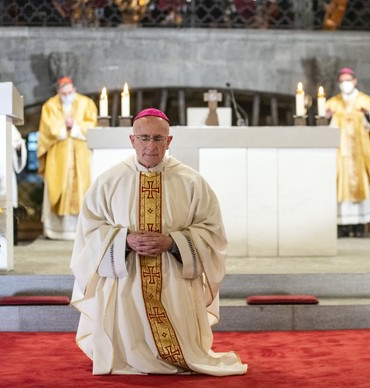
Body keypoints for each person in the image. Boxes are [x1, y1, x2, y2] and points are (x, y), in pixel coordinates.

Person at [69, 108, 248, 376]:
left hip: (173, 279)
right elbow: (89, 231)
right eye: (143, 138)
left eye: (157, 139)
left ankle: (179, 354)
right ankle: (128, 355)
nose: (150, 146)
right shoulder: (108, 182)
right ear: (132, 140)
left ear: (169, 141)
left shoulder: (192, 182)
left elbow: (212, 232)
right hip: (125, 279)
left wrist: (174, 242)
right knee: (127, 336)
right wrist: (124, 240)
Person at [325, 67, 370, 237]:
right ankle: (342, 225)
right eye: (342, 81)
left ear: (355, 81)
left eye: (348, 80)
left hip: (361, 152)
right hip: (341, 154)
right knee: (339, 184)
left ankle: (359, 225)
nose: (345, 84)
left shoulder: (367, 101)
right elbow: (324, 126)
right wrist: (327, 118)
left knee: (363, 184)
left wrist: (368, 116)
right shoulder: (332, 103)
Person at [37, 76, 97, 240]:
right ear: (58, 92)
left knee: (83, 188)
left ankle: (83, 229)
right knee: (59, 187)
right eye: (64, 93)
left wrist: (75, 126)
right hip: (58, 154)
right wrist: (64, 125)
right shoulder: (50, 105)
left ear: (75, 90)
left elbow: (93, 125)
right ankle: (57, 230)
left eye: (69, 92)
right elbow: (47, 129)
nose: (67, 95)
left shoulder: (87, 103)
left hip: (81, 153)